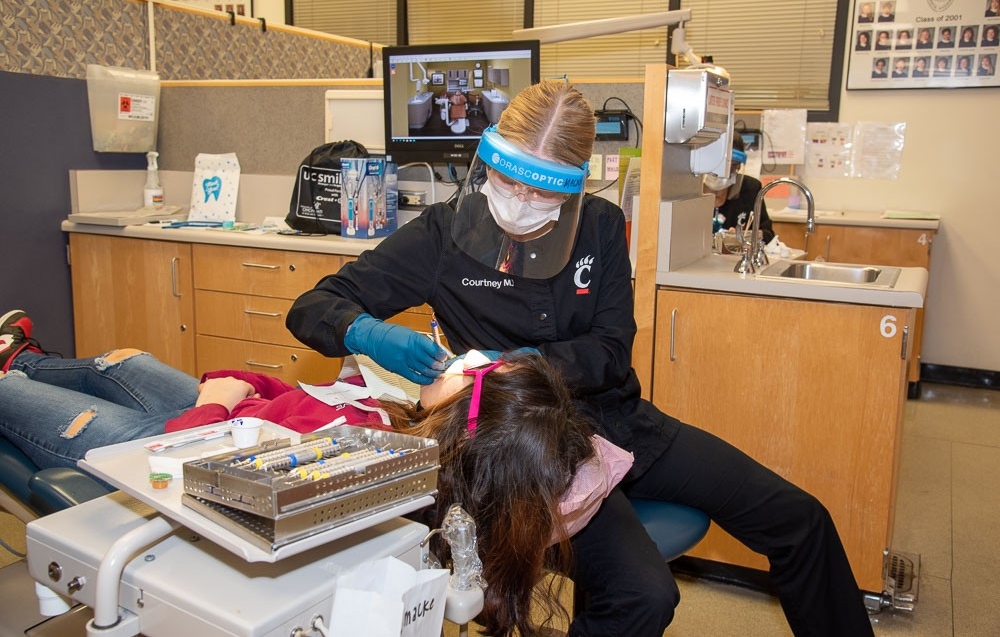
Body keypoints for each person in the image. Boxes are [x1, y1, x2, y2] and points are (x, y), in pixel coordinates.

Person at [286, 80, 875, 637]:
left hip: (616, 419)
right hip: (525, 448)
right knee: (644, 594)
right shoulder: (442, 236)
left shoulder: (599, 226)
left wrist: (522, 360)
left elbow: (611, 350)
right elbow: (314, 307)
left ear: (572, 187)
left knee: (801, 519)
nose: (518, 202)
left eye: (541, 189)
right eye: (507, 180)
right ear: (488, 163)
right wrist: (365, 333)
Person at [0, 309, 631, 637]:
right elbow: (294, 394)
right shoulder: (403, 422)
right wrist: (242, 386)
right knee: (121, 361)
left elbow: (190, 469)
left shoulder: (363, 468)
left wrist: (217, 400)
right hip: (227, 407)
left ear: (461, 428)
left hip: (173, 441)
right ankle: (24, 357)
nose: (467, 360)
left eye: (476, 369)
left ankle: (12, 373)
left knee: (17, 396)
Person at [703, 136, 774, 244]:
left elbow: (767, 234)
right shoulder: (688, 190)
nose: (724, 173)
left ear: (739, 166)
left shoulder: (750, 189)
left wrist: (741, 237)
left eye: (733, 166)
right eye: (718, 166)